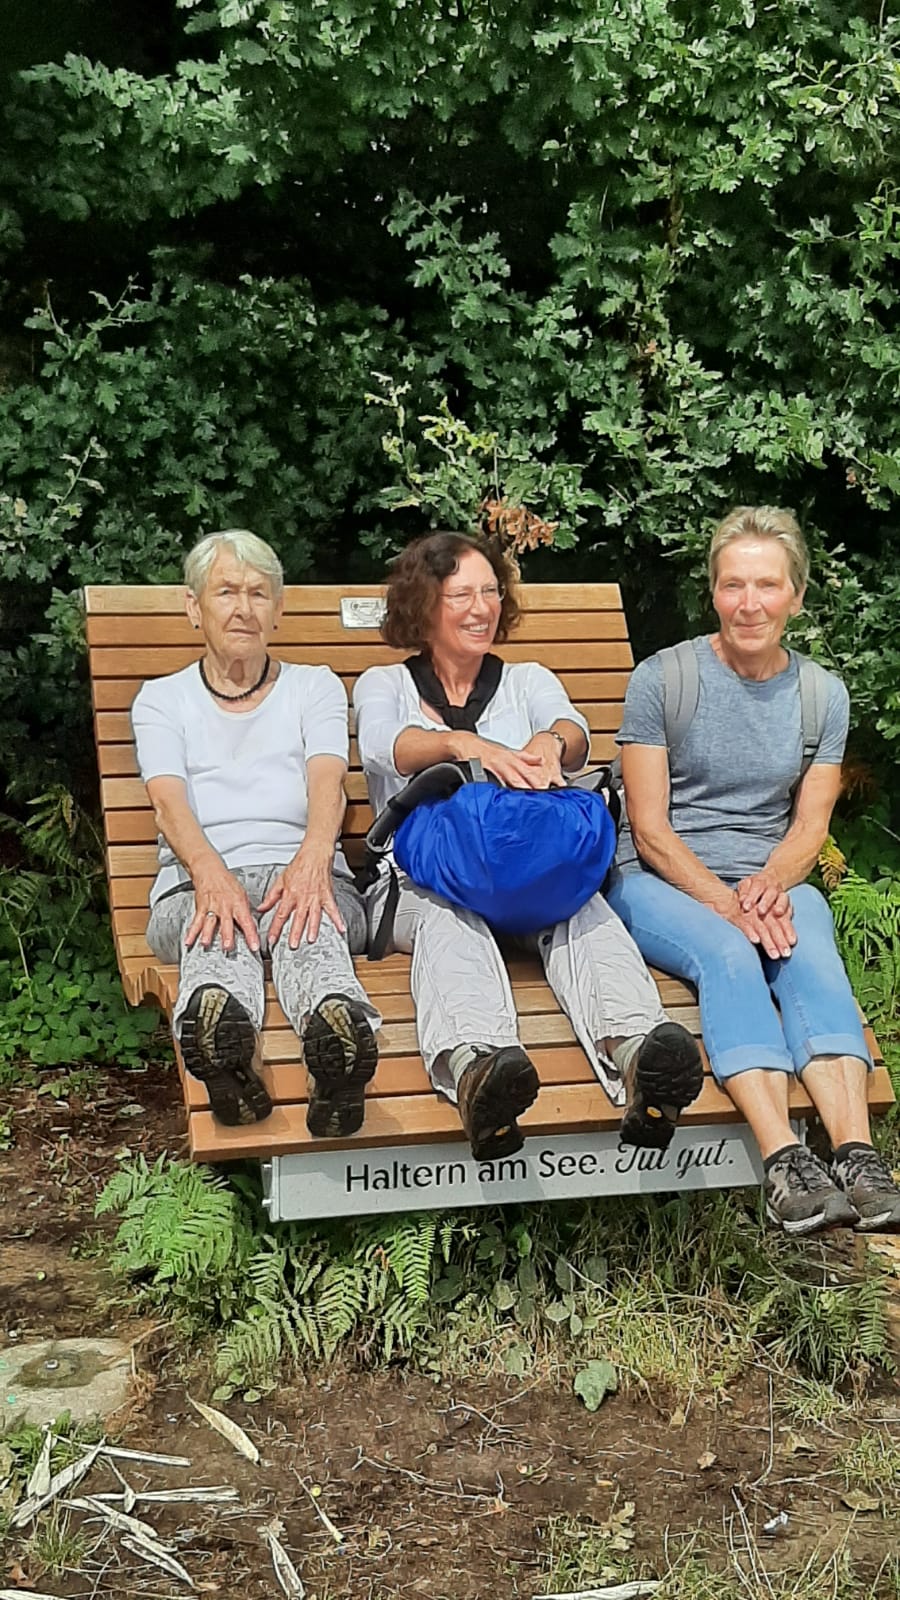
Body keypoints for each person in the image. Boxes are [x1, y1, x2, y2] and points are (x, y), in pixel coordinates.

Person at [353, 531, 703, 1163]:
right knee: (449, 921)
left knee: (580, 909)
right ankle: (477, 1069)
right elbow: (386, 746)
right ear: (423, 605)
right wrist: (464, 745)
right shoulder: (385, 685)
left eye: (490, 592)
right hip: (418, 881)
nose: (481, 608)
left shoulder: (526, 679)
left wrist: (551, 743)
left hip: (525, 876)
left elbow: (574, 730)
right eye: (461, 594)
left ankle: (641, 1056)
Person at [606, 505, 900, 1236]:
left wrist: (768, 886)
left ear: (795, 596)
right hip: (658, 879)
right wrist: (727, 904)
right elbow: (650, 829)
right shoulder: (664, 679)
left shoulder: (821, 695)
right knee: (729, 953)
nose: (749, 603)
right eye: (733, 584)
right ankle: (783, 1163)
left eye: (767, 585)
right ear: (713, 592)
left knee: (812, 943)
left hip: (765, 878)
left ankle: (857, 1157)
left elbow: (809, 828)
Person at [132, 529, 380, 1135]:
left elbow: (329, 782)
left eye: (258, 593)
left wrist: (313, 861)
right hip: (195, 882)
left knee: (309, 922)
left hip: (306, 872)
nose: (243, 608)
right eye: (225, 592)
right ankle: (225, 1044)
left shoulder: (314, 686)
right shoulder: (160, 700)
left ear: (278, 609)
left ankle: (335, 1043)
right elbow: (167, 803)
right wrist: (211, 876)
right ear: (194, 608)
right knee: (214, 925)